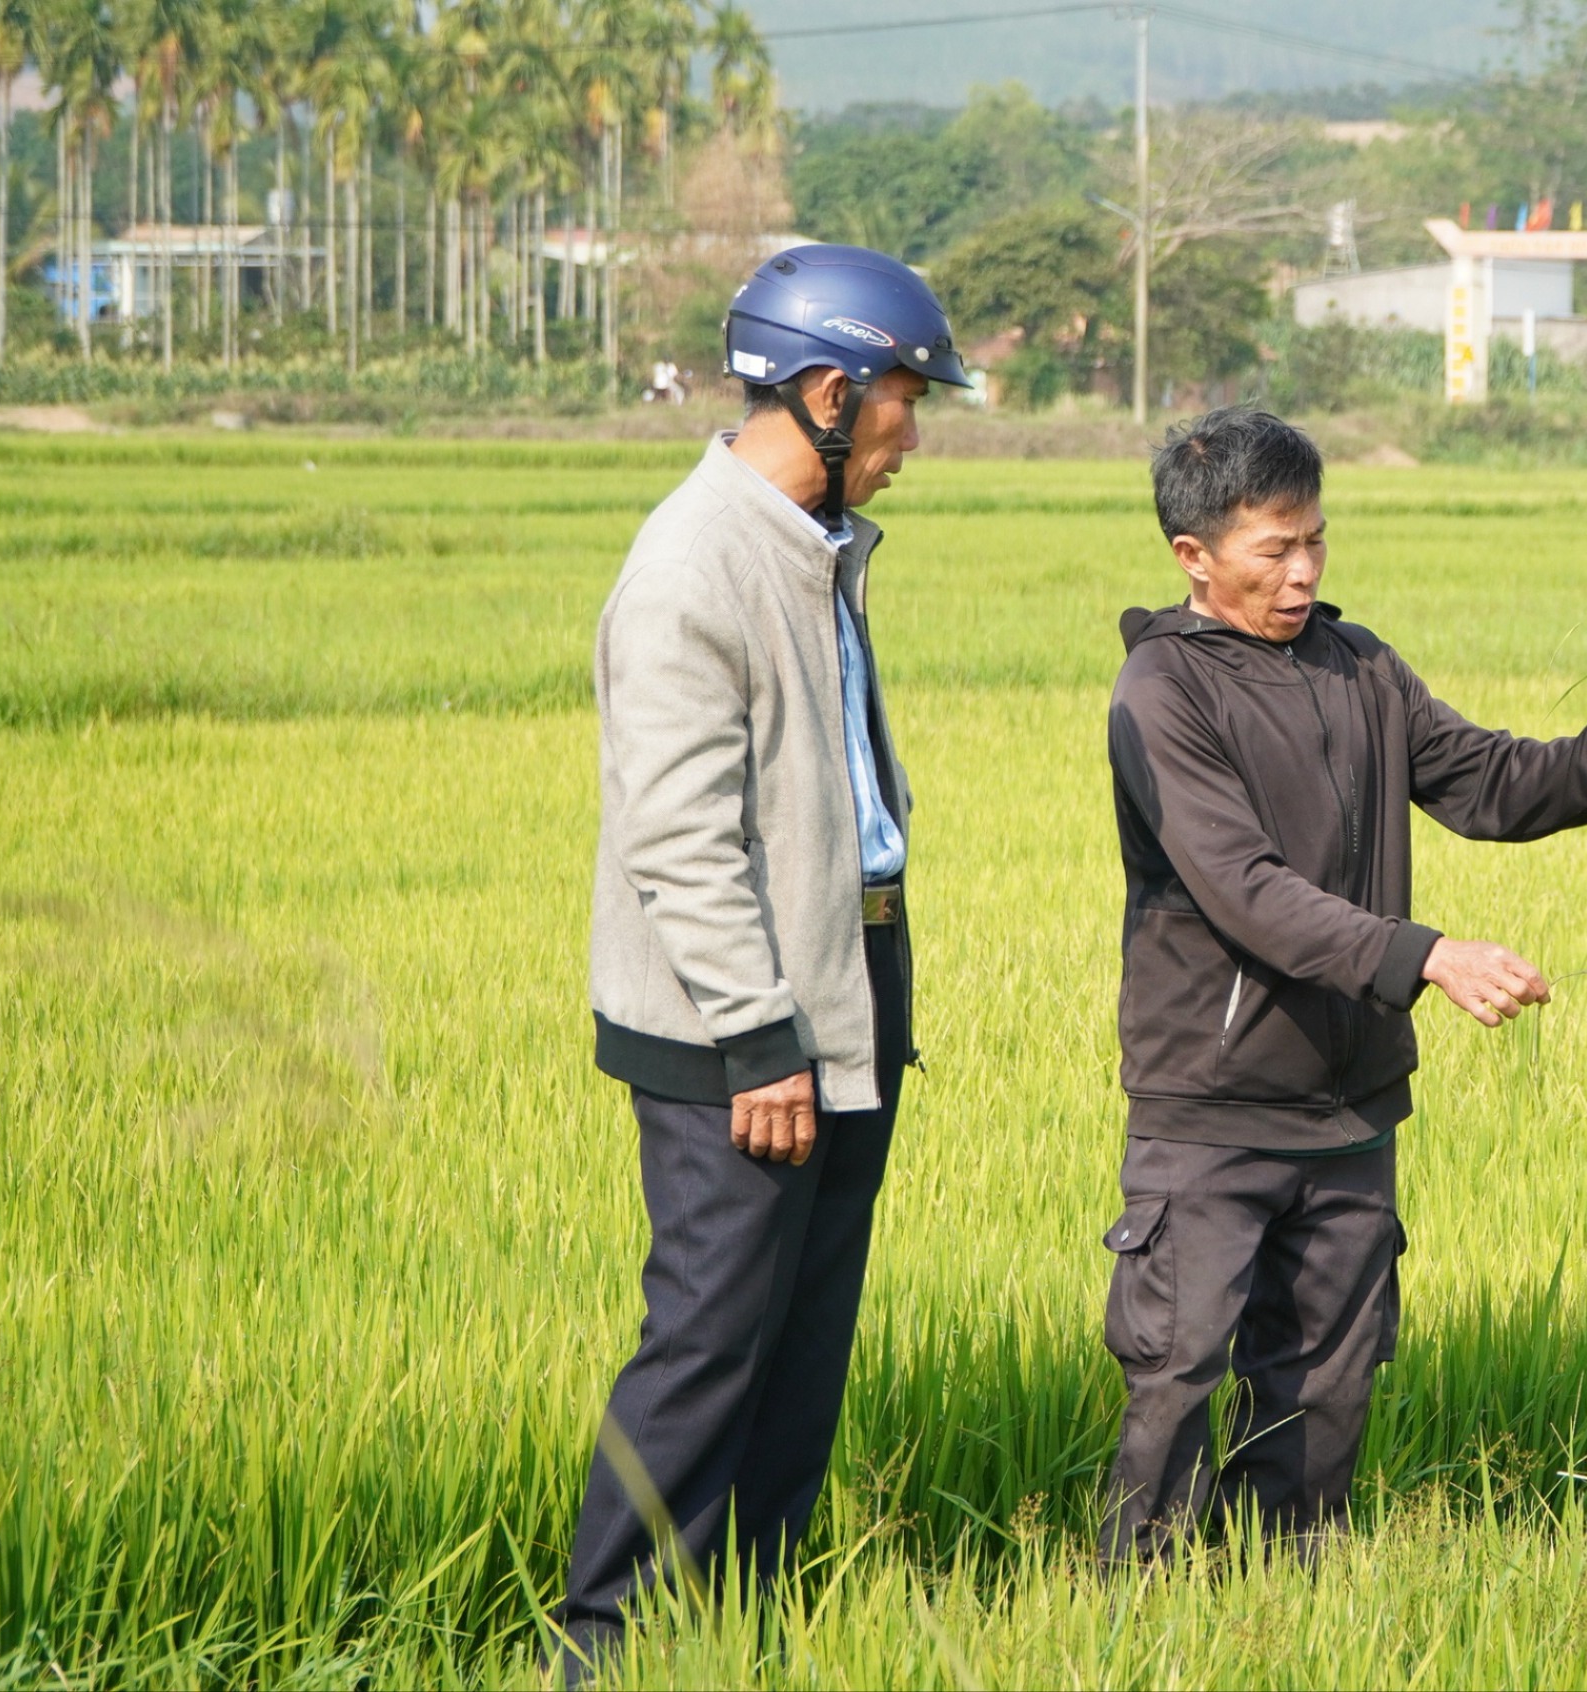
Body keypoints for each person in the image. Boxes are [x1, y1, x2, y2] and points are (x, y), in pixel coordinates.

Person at [1100, 405, 1587, 1559]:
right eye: (1274, 548)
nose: (1303, 570)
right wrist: (1427, 957)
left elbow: (1491, 783)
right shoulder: (1164, 695)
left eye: (1315, 539)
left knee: (1326, 1385)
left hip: (1349, 1105)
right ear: (1194, 555)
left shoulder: (1358, 665)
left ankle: (1281, 1599)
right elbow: (1247, 890)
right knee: (1176, 1377)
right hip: (1211, 1112)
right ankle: (1135, 1612)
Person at [557, 244, 970, 1677]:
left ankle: (742, 1634)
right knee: (709, 1350)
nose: (918, 435)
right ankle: (605, 1649)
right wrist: (758, 1039)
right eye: (910, 400)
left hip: (844, 991)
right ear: (828, 389)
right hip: (742, 1035)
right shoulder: (695, 564)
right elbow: (679, 837)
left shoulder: (816, 548)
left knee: (801, 1354)